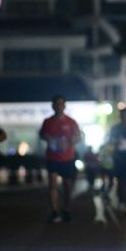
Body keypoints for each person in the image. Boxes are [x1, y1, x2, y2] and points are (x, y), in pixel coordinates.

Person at [39, 95, 81, 223]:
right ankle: (55, 211)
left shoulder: (71, 122)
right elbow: (41, 134)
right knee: (52, 184)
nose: (58, 106)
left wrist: (71, 141)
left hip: (67, 158)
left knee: (67, 185)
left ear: (64, 105)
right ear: (52, 106)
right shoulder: (47, 121)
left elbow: (78, 136)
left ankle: (66, 209)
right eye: (56, 104)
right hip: (52, 157)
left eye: (61, 104)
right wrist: (46, 137)